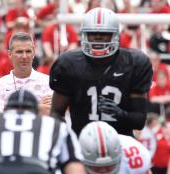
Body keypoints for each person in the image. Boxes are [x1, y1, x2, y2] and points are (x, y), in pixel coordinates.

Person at [50, 7, 153, 136]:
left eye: (104, 34)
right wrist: (67, 142)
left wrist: (121, 114)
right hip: (82, 142)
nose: (97, 38)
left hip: (121, 141)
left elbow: (139, 121)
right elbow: (56, 113)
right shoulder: (69, 63)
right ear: (84, 35)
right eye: (92, 34)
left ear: (115, 35)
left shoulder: (134, 63)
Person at [0, 32, 52, 115]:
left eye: (28, 51)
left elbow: (51, 114)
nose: (24, 56)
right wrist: (38, 107)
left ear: (33, 53)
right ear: (10, 54)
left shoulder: (47, 82)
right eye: (19, 52)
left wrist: (10, 109)